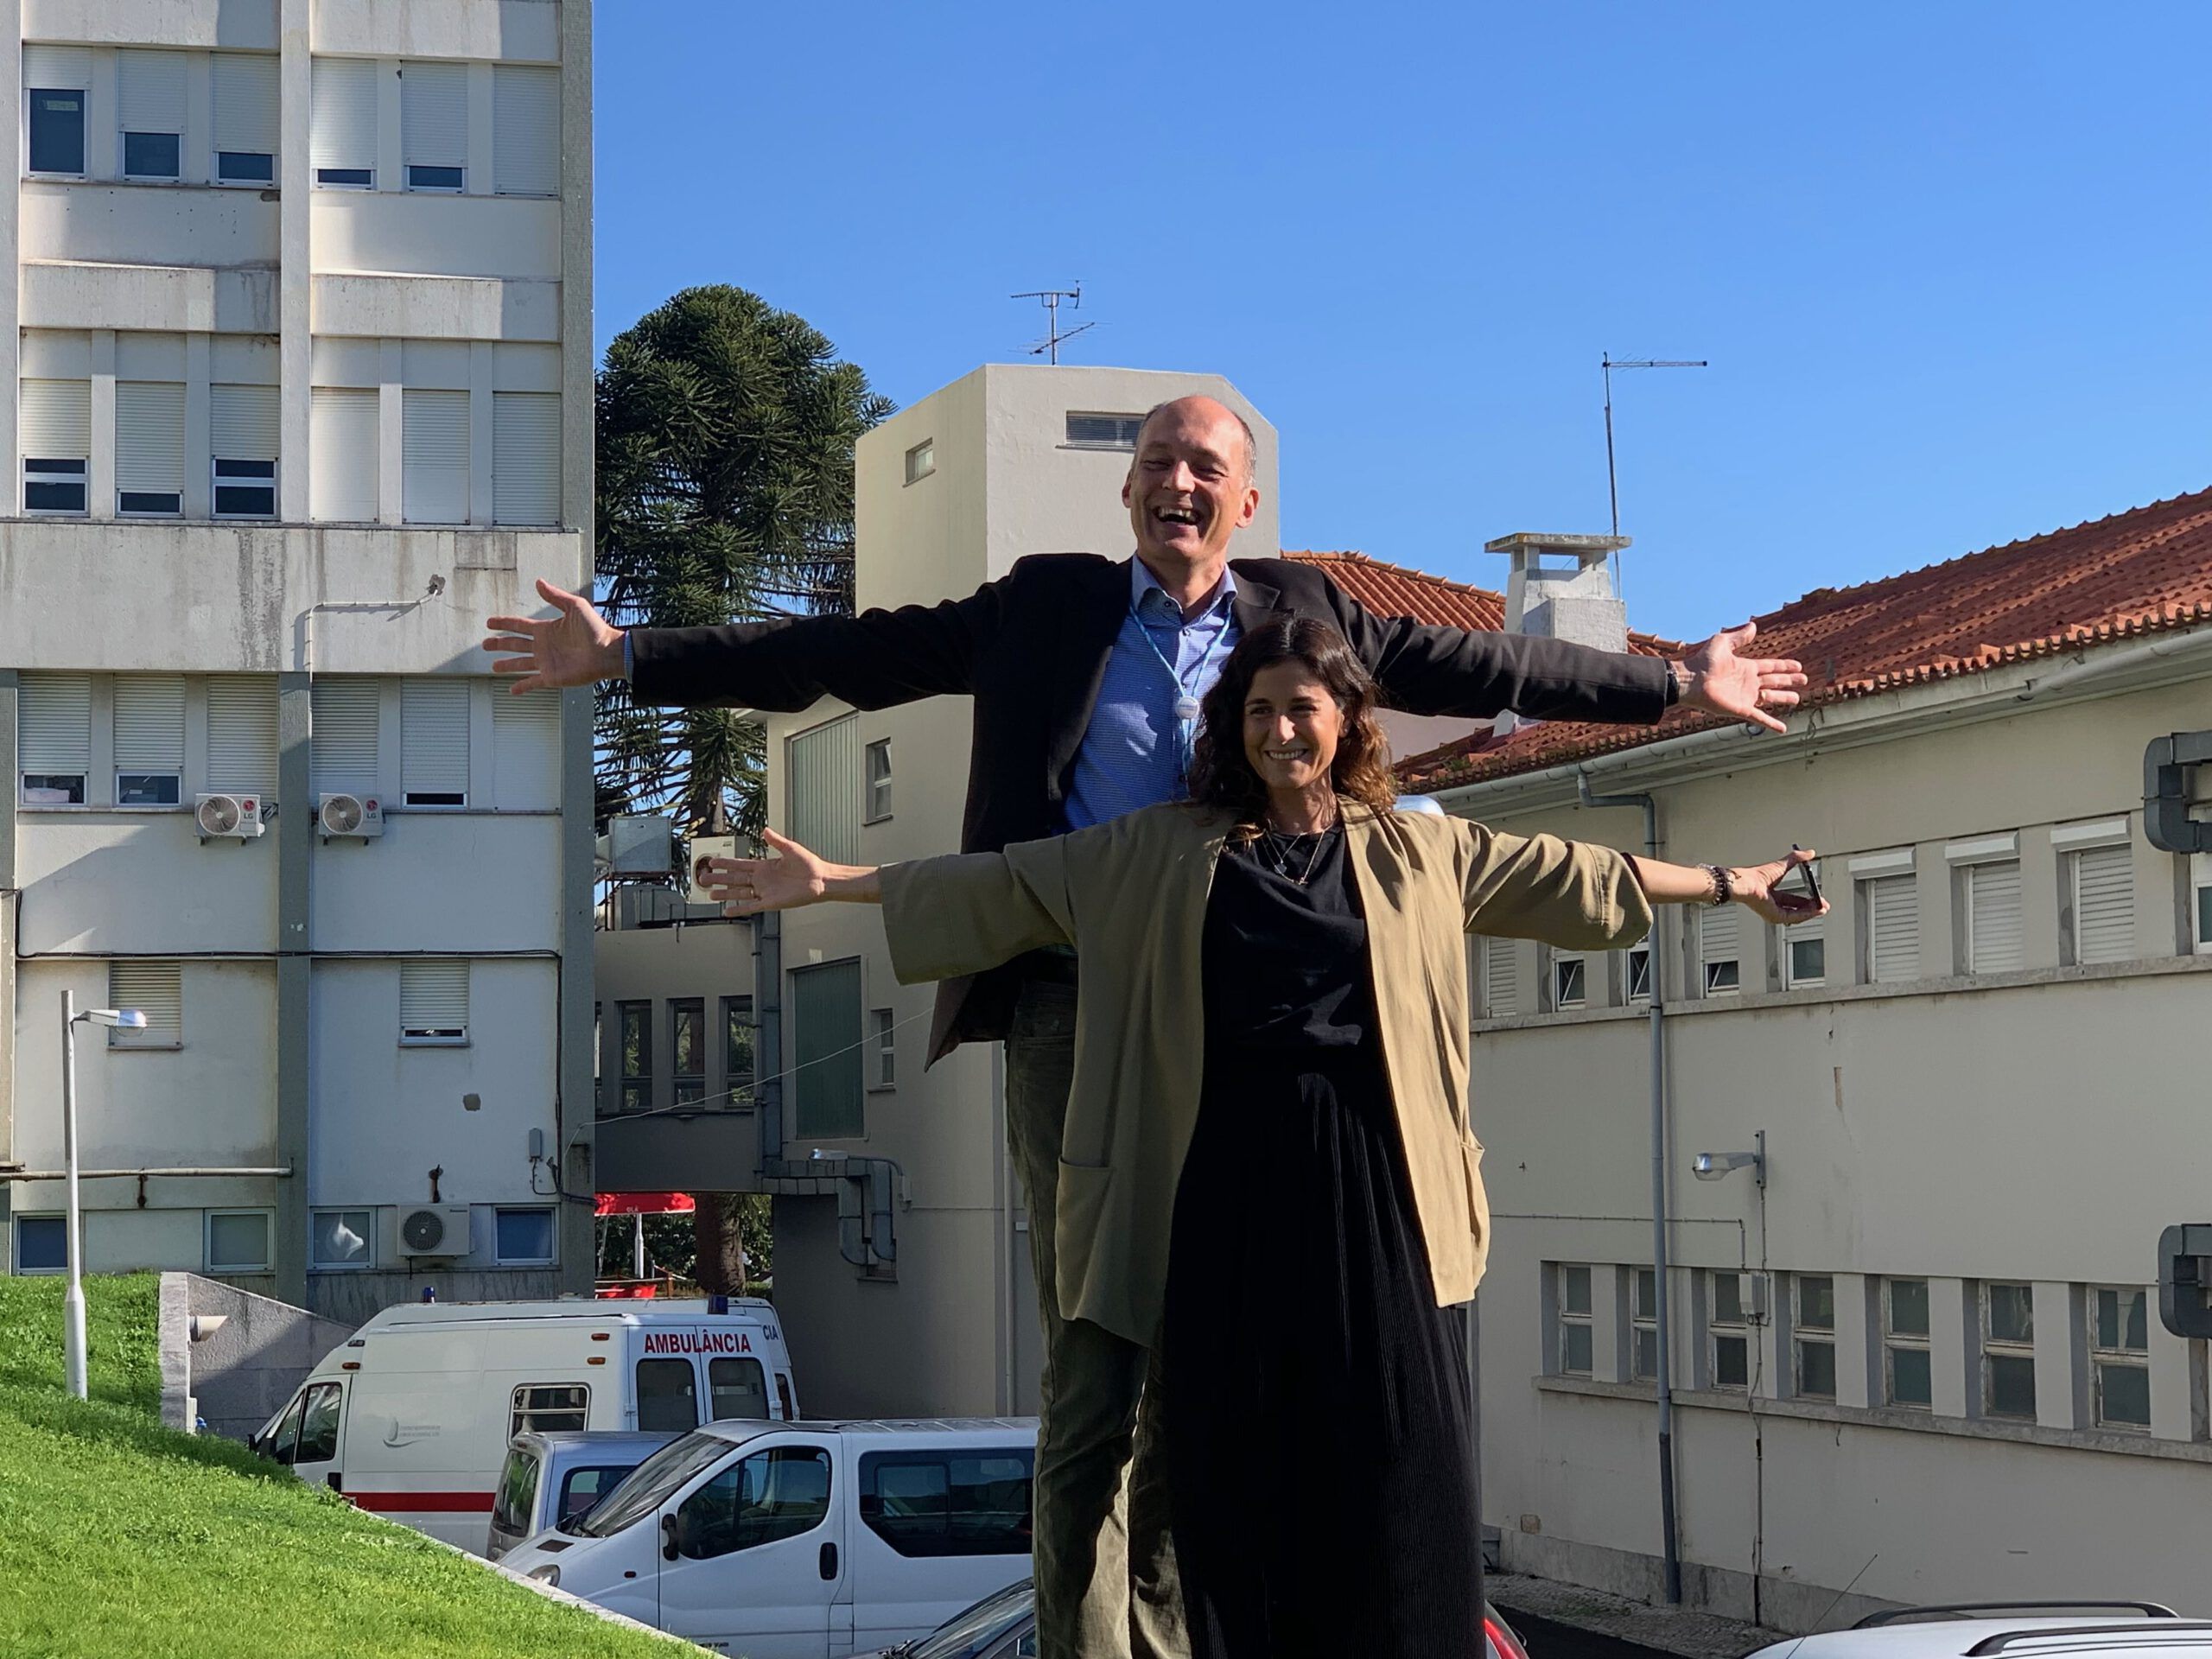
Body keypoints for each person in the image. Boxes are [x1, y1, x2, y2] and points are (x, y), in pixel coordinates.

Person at [483, 394, 1808, 1659]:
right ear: (1127, 492)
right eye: (1157, 463)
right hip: (1083, 1012)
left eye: (1204, 467)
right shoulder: (1047, 607)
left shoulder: (1307, 615)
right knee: (1100, 1372)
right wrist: (632, 655)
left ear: (1245, 502)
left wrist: (1673, 682)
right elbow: (853, 654)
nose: (1178, 482)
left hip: (1254, 1044)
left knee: (1222, 1380)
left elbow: (1490, 662)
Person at [702, 615, 1824, 1659]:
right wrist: (831, 882)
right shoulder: (1156, 850)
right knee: (1232, 1472)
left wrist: (1737, 884)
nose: (1282, 730)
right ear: (1232, 728)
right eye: (1259, 711)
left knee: (1404, 1456)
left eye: (1302, 708)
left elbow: (1578, 876)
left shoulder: (1415, 850)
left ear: (1347, 721)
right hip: (1218, 1186)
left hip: (1381, 1182)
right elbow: (1003, 885)